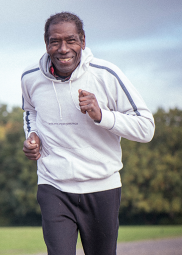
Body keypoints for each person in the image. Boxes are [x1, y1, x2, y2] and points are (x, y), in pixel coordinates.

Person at [21, 12, 155, 255]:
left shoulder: (106, 74)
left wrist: (102, 115)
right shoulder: (30, 78)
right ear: (46, 43)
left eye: (71, 40)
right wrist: (32, 136)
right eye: (55, 41)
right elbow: (30, 113)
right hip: (54, 185)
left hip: (102, 187)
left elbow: (146, 127)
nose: (63, 49)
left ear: (83, 41)